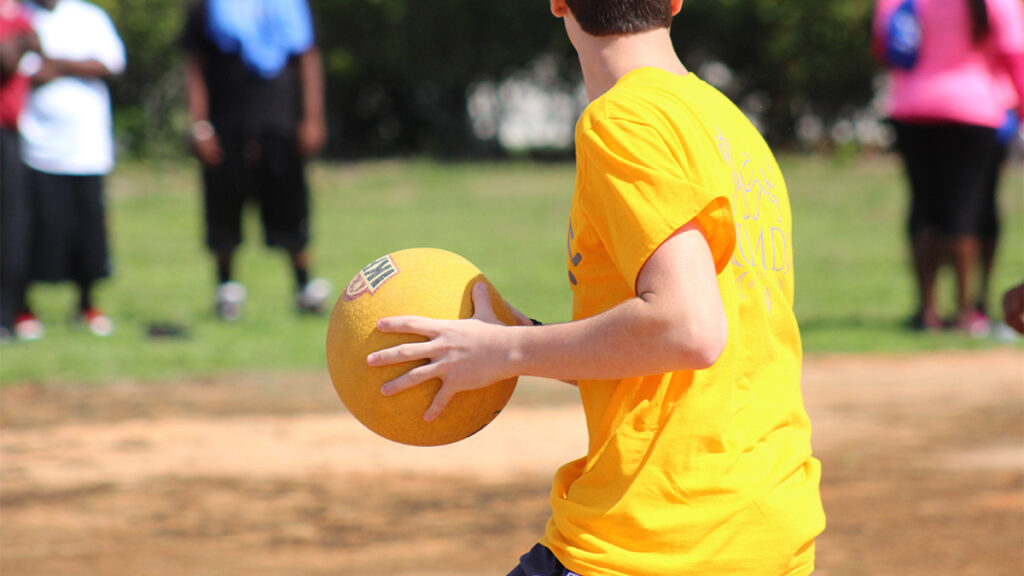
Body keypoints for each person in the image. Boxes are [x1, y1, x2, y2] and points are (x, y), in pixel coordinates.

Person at [367, 1, 826, 574]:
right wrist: (520, 337)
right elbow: (673, 345)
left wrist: (502, 352)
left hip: (661, 537)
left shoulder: (625, 119)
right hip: (764, 526)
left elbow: (688, 329)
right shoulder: (725, 122)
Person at [872, 0, 1024, 336]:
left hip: (911, 106)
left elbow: (884, 47)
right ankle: (968, 312)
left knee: (924, 209)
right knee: (966, 210)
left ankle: (927, 312)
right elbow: (1016, 53)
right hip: (975, 107)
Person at [181, 0, 331, 321]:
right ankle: (227, 288)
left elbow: (308, 56)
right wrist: (199, 124)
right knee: (224, 205)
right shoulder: (207, 8)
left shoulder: (291, 6)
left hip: (281, 124)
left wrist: (313, 117)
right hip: (226, 126)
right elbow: (195, 65)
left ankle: (304, 286)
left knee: (291, 206)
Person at [17, 0, 125, 338]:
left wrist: (60, 65)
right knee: (35, 230)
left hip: (85, 148)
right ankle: (23, 308)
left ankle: (87, 305)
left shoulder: (89, 17)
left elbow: (111, 62)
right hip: (35, 146)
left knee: (88, 233)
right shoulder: (19, 16)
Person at [0, 0, 39, 341]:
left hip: (6, 131)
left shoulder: (20, 15)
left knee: (11, 226)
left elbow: (11, 59)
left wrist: (22, 40)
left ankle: (7, 314)